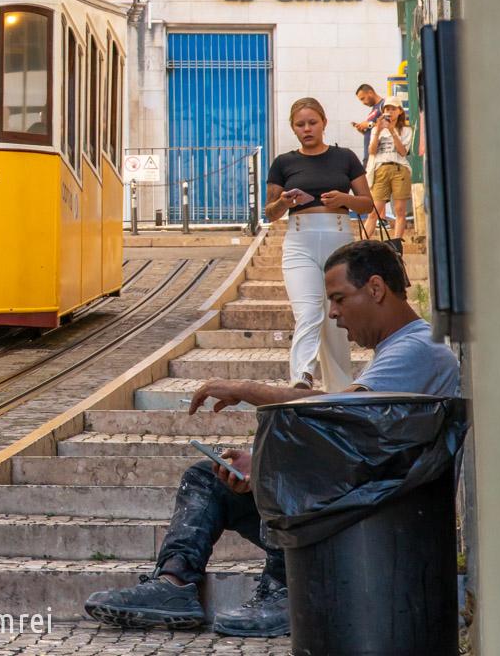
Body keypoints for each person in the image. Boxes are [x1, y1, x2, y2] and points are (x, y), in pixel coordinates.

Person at [85, 240, 459, 638]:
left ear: (376, 288)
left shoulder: (419, 348)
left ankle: (284, 591)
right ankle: (175, 584)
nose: (333, 314)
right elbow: (349, 431)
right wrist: (260, 465)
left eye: (338, 299)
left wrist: (249, 393)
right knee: (208, 479)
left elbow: (334, 410)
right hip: (355, 495)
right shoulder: (401, 348)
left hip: (376, 511)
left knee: (288, 477)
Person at [263, 98, 374, 392]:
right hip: (300, 240)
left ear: (324, 122)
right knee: (309, 310)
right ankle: (302, 376)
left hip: (340, 240)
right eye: (300, 125)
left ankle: (340, 387)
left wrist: (344, 200)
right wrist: (283, 202)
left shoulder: (345, 157)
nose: (307, 129)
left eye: (312, 122)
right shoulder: (283, 163)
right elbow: (269, 213)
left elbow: (368, 202)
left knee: (338, 317)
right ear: (293, 128)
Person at [363, 98, 411, 254]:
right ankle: (363, 243)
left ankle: (396, 243)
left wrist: (392, 130)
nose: (389, 112)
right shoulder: (377, 129)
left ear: (399, 111)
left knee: (399, 209)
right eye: (387, 109)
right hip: (380, 169)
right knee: (374, 210)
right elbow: (371, 151)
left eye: (393, 109)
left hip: (399, 168)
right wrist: (377, 130)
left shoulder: (406, 130)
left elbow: (403, 152)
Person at [351, 83, 384, 159]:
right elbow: (374, 131)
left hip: (378, 156)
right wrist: (363, 130)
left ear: (370, 93)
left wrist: (368, 124)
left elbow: (389, 127)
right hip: (369, 154)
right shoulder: (374, 109)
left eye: (363, 98)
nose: (363, 103)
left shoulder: (383, 105)